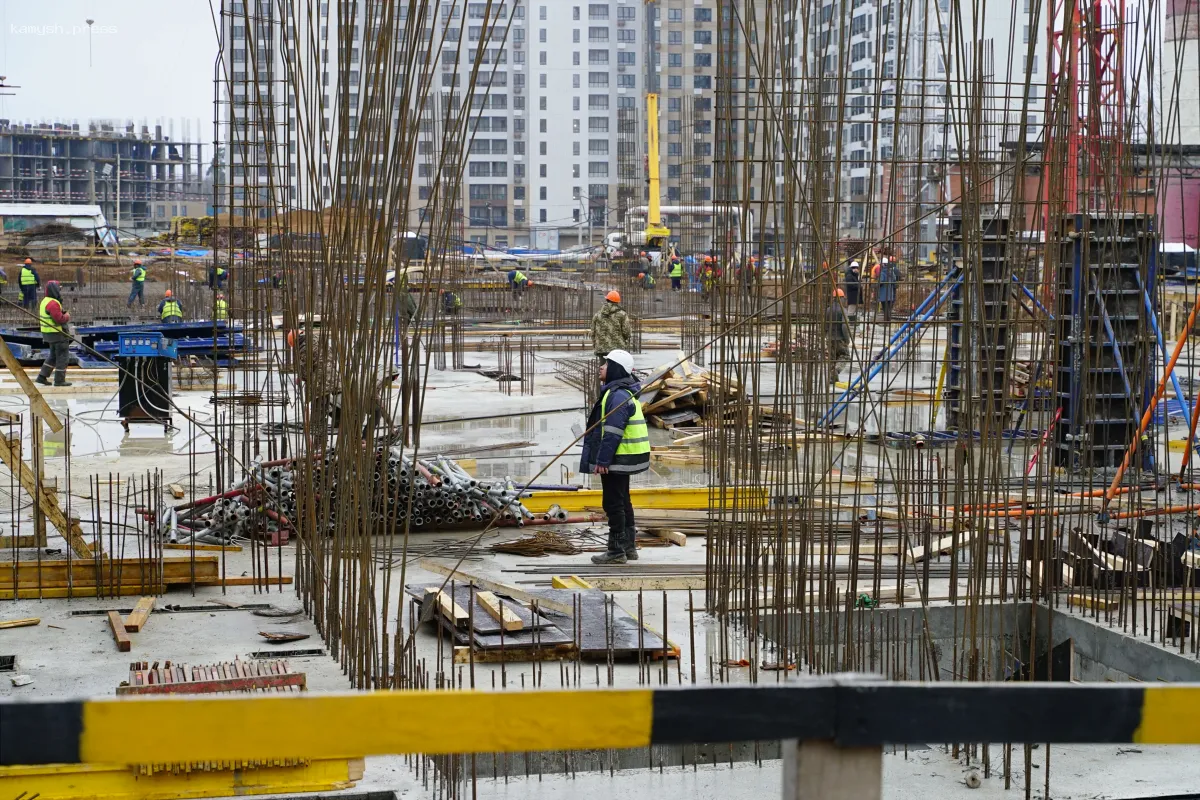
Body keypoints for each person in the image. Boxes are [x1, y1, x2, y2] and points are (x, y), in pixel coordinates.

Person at [580, 348, 649, 564]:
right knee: (622, 500)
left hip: (618, 457)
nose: (601, 367)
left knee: (613, 503)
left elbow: (612, 432)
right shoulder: (621, 392)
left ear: (616, 369)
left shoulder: (617, 394)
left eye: (607, 364)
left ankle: (616, 550)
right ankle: (629, 547)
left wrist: (603, 460)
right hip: (627, 456)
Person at [35, 281, 72, 387]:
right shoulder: (53, 303)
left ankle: (42, 377)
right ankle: (59, 380)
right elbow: (59, 319)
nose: (60, 291)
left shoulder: (45, 301)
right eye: (59, 288)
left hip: (49, 334)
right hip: (58, 334)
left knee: (53, 356)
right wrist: (67, 316)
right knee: (62, 357)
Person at [591, 290, 632, 359]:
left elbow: (593, 333)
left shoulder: (597, 315)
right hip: (617, 350)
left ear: (607, 299)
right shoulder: (622, 314)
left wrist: (596, 345)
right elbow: (627, 332)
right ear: (617, 302)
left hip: (601, 349)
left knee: (603, 369)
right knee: (616, 369)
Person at [827, 288, 851, 362]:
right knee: (845, 357)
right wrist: (847, 339)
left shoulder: (828, 310)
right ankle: (836, 371)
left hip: (830, 339)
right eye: (843, 298)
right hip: (840, 339)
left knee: (833, 360)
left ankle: (832, 372)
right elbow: (844, 326)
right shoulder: (843, 310)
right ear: (841, 298)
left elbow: (825, 326)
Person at [878, 257, 899, 322]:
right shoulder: (891, 272)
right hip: (890, 293)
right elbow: (894, 281)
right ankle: (888, 320)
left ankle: (886, 321)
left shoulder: (882, 273)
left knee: (885, 308)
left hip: (884, 294)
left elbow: (881, 282)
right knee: (889, 308)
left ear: (883, 264)